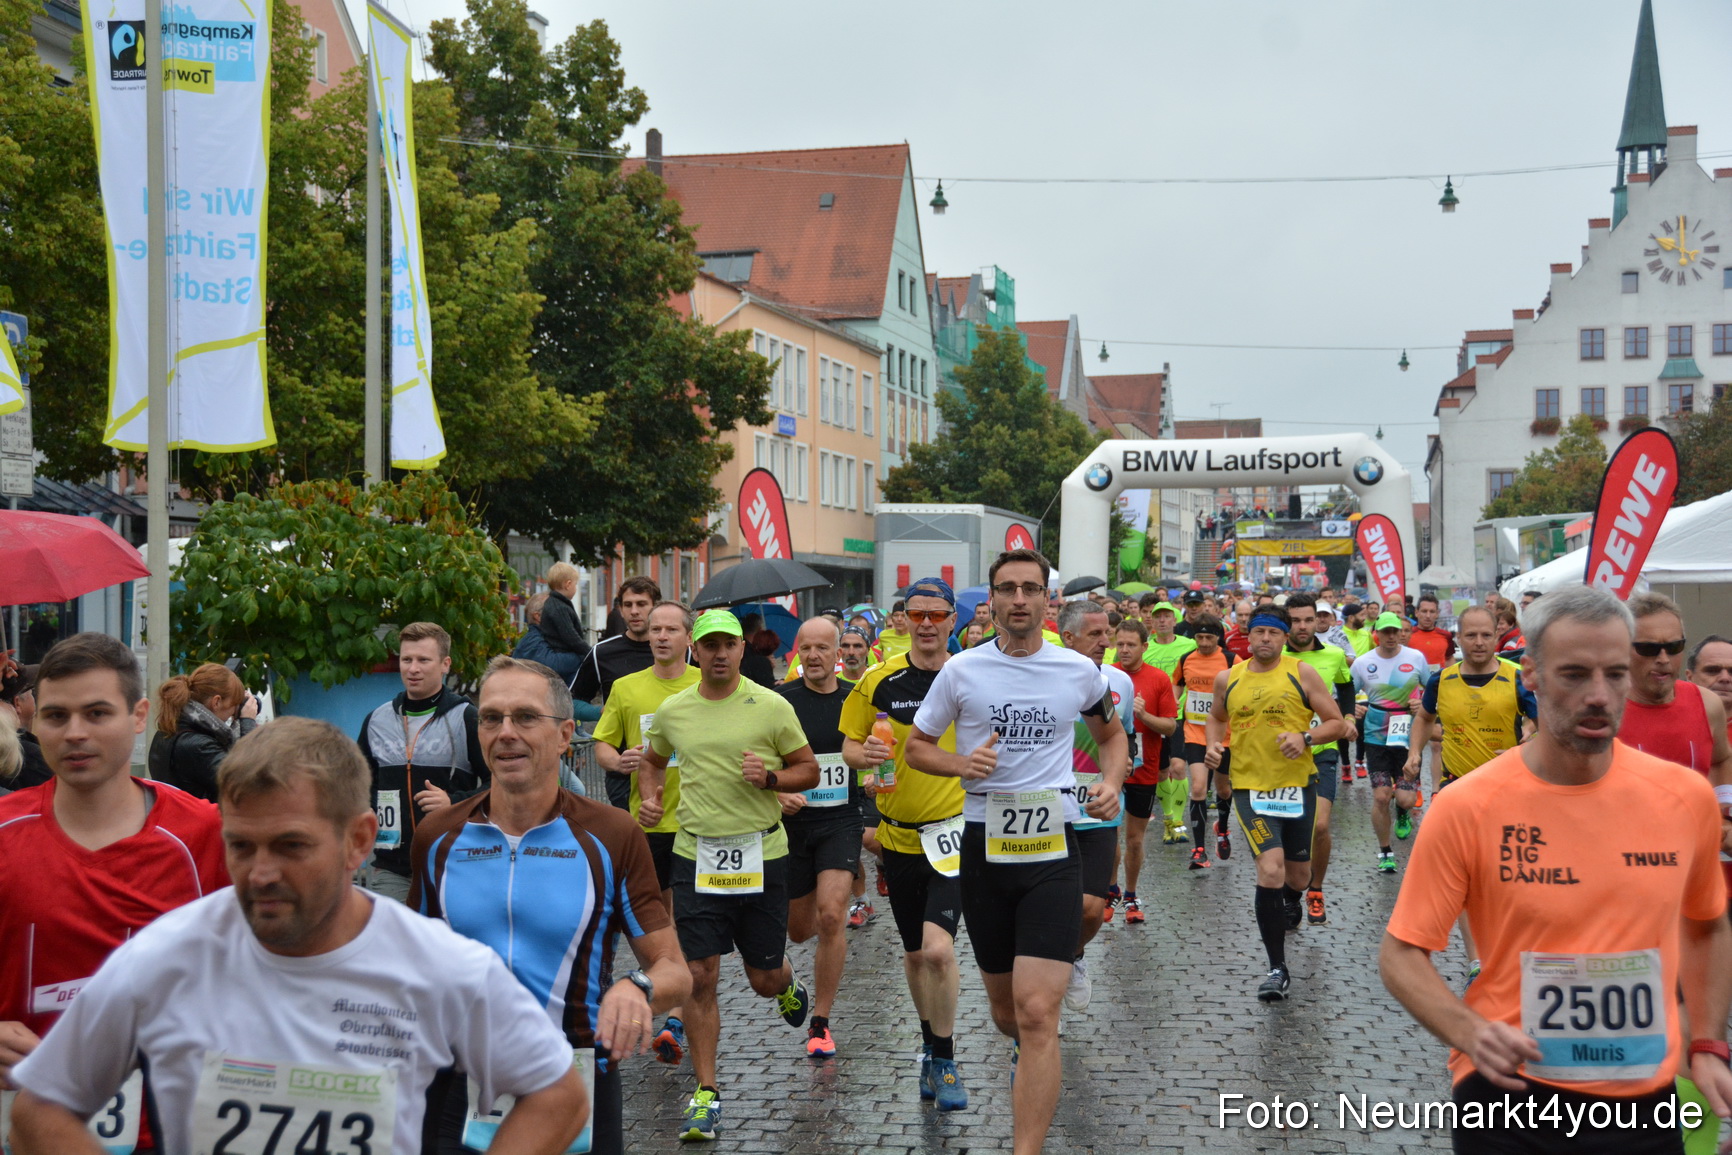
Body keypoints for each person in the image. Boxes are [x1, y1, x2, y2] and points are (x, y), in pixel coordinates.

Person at [7, 715, 588, 1155]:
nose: (261, 873)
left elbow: (558, 1096)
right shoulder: (166, 955)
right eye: (240, 846)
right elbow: (41, 1107)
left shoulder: (439, 965)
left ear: (359, 841)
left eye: (291, 846)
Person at [1381, 586, 1732, 1152]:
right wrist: (1467, 1031)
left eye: (1616, 674)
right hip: (1508, 1090)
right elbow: (1402, 952)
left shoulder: (1684, 798)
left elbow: (1708, 924)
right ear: (1531, 677)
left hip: (1644, 1095)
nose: (1599, 695)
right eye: (1573, 674)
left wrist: (1709, 1045)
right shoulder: (1468, 805)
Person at [412, 656, 689, 1155]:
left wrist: (637, 986)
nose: (505, 732)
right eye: (491, 718)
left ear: (565, 736)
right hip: (461, 1081)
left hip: (577, 1075)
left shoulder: (611, 834)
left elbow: (675, 970)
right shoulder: (438, 836)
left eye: (525, 717)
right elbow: (408, 964)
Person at [906, 549, 1129, 1155]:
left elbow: (1112, 737)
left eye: (1032, 588)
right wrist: (961, 763)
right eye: (1009, 589)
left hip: (1054, 849)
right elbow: (916, 749)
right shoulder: (961, 673)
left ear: (1047, 600)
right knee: (1008, 1014)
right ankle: (1025, 1045)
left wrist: (1110, 783)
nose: (1021, 600)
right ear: (993, 600)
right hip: (984, 850)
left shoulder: (1077, 671)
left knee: (1036, 1014)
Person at [0, 634, 229, 1152]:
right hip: (25, 1128)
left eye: (97, 713)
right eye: (56, 716)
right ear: (34, 721)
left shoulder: (205, 834)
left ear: (138, 715)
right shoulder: (4, 833)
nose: (75, 733)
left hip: (173, 1130)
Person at [637, 610, 820, 1141]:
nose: (719, 653)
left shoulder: (771, 705)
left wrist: (770, 777)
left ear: (743, 650)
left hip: (762, 854)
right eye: (709, 644)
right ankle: (707, 1093)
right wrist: (651, 799)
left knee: (761, 981)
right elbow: (652, 761)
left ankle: (785, 978)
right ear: (695, 650)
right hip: (697, 857)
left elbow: (807, 769)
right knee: (698, 976)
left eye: (728, 644)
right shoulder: (674, 710)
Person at [840, 576, 968, 1109]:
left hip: (956, 834)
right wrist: (863, 756)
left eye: (937, 615)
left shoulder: (969, 675)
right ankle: (927, 1047)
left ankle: (946, 1056)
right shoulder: (878, 680)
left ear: (952, 620)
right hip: (898, 836)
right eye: (917, 614)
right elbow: (848, 745)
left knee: (939, 950)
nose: (927, 624)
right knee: (916, 954)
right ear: (904, 618)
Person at [1204, 605, 1348, 1001]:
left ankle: (1291, 899)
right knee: (1270, 869)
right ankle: (1277, 967)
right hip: (1250, 790)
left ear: (1285, 638)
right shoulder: (1227, 678)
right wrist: (1216, 745)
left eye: (1274, 633)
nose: (1265, 639)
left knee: (1297, 878)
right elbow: (1216, 718)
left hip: (1298, 785)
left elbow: (1336, 723)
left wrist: (1306, 737)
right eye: (1259, 632)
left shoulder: (1301, 673)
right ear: (1247, 636)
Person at [592, 600, 701, 1065]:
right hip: (649, 822)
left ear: (687, 638)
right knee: (653, 920)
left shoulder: (707, 684)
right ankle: (658, 997)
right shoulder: (626, 687)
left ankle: (674, 1017)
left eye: (670, 629)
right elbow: (601, 742)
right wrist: (617, 761)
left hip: (699, 822)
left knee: (684, 918)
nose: (660, 636)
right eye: (654, 629)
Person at [1405, 604, 1536, 980]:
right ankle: (1477, 959)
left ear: (1497, 637)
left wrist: (1524, 745)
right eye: (1471, 635)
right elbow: (1425, 718)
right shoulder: (1441, 680)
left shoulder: (1516, 678)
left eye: (1486, 635)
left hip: (1509, 789)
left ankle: (1510, 943)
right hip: (1457, 787)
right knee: (1466, 877)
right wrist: (1414, 753)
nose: (1479, 643)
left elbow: (1545, 728)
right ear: (1458, 639)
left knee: (1507, 875)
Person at [772, 618, 866, 1060]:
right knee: (798, 928)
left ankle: (821, 1023)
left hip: (841, 821)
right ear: (797, 653)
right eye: (804, 648)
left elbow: (872, 757)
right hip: (794, 826)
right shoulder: (780, 702)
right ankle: (790, 980)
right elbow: (759, 757)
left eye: (821, 648)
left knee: (832, 916)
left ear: (837, 653)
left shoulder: (855, 698)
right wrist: (779, 791)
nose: (813, 656)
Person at [356, 622, 487, 902]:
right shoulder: (376, 720)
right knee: (392, 945)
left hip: (452, 863)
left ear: (445, 664)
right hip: (391, 867)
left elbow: (499, 784)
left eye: (423, 660)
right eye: (407, 659)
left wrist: (454, 803)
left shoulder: (466, 717)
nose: (413, 669)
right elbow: (359, 785)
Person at [1056, 600, 1138, 1011]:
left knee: (1090, 910)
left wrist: (1115, 779)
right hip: (1044, 812)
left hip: (1096, 811)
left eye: (1108, 634)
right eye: (1096, 635)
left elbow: (1123, 737)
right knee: (1045, 908)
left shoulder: (1119, 680)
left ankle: (1073, 957)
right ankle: (1041, 984)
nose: (1106, 642)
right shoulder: (1042, 679)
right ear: (1067, 637)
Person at [1283, 592, 1358, 926]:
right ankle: (1289, 889)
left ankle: (1315, 888)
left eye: (1308, 619)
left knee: (1322, 824)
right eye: (1295, 620)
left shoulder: (1335, 655)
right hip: (1280, 756)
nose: (1302, 626)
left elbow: (1345, 688)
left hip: (1322, 752)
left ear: (1318, 621)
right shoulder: (1273, 655)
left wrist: (1349, 718)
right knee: (1286, 827)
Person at [1618, 592, 1732, 783]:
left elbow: (1720, 760)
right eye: (1648, 648)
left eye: (1673, 647)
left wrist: (1723, 804)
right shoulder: (1603, 711)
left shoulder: (1707, 704)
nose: (1663, 659)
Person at [572, 577, 663, 809]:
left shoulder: (680, 650)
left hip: (675, 767)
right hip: (624, 769)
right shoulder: (602, 653)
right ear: (620, 610)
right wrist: (600, 712)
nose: (634, 611)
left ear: (655, 607)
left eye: (641, 604)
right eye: (627, 605)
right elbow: (570, 702)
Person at [1351, 612, 1430, 873]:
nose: (1391, 636)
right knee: (1381, 796)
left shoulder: (1415, 658)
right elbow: (1343, 694)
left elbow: (1433, 689)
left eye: (1395, 631)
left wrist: (1424, 703)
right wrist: (1352, 707)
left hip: (1408, 735)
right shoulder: (1363, 663)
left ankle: (1403, 811)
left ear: (1402, 632)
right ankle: (1385, 852)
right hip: (1375, 736)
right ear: (1377, 633)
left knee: (1406, 799)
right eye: (1385, 632)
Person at [1111, 617, 1178, 919]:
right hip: (1109, 766)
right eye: (1120, 644)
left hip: (1144, 767)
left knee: (1134, 838)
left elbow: (1171, 727)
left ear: (1144, 646)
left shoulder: (1159, 679)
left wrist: (1144, 715)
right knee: (1108, 832)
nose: (1124, 650)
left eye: (1131, 645)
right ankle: (1109, 890)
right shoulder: (1106, 675)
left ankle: (1131, 895)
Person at [147, 661, 259, 802]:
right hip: (200, 822)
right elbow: (248, 785)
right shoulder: (199, 746)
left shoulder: (172, 728)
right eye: (234, 705)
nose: (233, 713)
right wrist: (247, 723)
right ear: (216, 702)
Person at [1176, 617, 1235, 866]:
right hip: (1194, 733)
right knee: (1199, 788)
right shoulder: (1186, 659)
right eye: (1199, 637)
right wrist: (1170, 712)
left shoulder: (1232, 660)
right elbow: (1177, 685)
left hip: (1225, 736)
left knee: (1223, 789)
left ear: (1218, 637)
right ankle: (1199, 850)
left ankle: (1221, 828)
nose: (1203, 642)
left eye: (1209, 637)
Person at [1141, 600, 1197, 844]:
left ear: (1175, 620)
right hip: (1154, 720)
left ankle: (1178, 823)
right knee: (1161, 772)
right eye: (1158, 617)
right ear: (1151, 622)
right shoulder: (1146, 649)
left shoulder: (1190, 645)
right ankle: (1167, 819)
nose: (1162, 620)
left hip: (1181, 716)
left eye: (1167, 616)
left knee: (1177, 767)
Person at [510, 591, 584, 683]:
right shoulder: (531, 641)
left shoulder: (545, 637)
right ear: (538, 616)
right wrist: (584, 655)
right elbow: (552, 665)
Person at [538, 562, 591, 674]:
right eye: (575, 584)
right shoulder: (559, 607)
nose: (576, 588)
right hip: (563, 655)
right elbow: (571, 638)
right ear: (568, 584)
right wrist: (591, 652)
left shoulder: (554, 603)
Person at [1688, 635, 1732, 734]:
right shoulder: (1672, 723)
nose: (1725, 678)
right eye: (1712, 671)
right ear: (1690, 677)